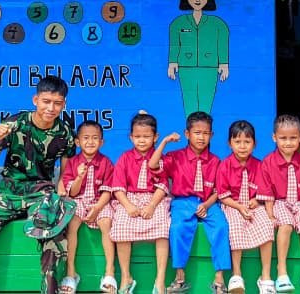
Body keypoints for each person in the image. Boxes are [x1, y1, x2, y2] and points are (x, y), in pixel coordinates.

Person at [0, 75, 76, 294]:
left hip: (41, 193)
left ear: (64, 104)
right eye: (46, 101)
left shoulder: (65, 133)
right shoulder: (14, 124)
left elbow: (65, 174)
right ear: (35, 100)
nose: (51, 108)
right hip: (9, 193)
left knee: (55, 235)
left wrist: (60, 197)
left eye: (57, 103)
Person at [151, 111, 232, 294]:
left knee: (221, 226)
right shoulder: (175, 156)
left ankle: (219, 278)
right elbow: (153, 165)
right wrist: (164, 142)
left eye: (206, 133)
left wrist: (207, 205)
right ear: (187, 134)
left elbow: (218, 191)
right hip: (182, 202)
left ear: (211, 135)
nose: (201, 137)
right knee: (177, 227)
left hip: (209, 202)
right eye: (197, 133)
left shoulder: (216, 161)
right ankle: (180, 276)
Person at [256, 114, 300, 294]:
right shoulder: (268, 162)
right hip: (279, 202)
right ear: (274, 137)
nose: (288, 143)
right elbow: (267, 191)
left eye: (293, 138)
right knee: (285, 224)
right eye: (283, 138)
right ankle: (282, 270)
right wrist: (270, 214)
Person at [109, 111, 171, 294]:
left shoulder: (160, 158)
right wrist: (128, 206)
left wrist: (151, 206)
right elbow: (118, 187)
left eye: (146, 136)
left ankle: (160, 280)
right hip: (129, 199)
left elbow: (162, 186)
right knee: (120, 226)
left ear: (155, 137)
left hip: (154, 199)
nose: (142, 141)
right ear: (131, 137)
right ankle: (126, 276)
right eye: (137, 137)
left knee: (163, 227)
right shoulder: (125, 157)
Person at [216, 120, 275, 294]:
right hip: (232, 205)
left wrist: (256, 201)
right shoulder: (224, 165)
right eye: (237, 141)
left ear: (254, 144)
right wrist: (239, 207)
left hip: (253, 205)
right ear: (230, 143)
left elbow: (264, 190)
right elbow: (223, 195)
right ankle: (237, 275)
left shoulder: (259, 165)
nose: (242, 146)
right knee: (234, 227)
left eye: (247, 142)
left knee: (267, 225)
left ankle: (265, 276)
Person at [59, 120, 117, 294]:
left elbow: (108, 191)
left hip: (100, 201)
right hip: (79, 200)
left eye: (95, 138)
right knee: (71, 223)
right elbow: (73, 193)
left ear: (102, 142)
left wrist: (97, 208)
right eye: (85, 138)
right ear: (78, 142)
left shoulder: (106, 162)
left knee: (106, 222)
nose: (90, 142)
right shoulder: (73, 163)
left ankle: (109, 272)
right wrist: (79, 177)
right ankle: (71, 272)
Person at [167, 0, 230, 116]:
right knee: (188, 100)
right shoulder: (178, 23)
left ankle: (205, 127)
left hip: (210, 67)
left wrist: (224, 63)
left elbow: (222, 43)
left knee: (206, 100)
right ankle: (190, 127)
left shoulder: (218, 24)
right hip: (186, 67)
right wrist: (172, 62)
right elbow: (175, 44)